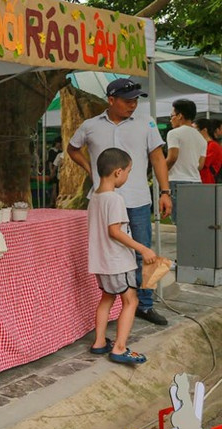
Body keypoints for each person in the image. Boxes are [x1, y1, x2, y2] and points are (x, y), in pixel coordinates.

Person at [68, 78, 171, 326]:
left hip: (137, 199)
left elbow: (158, 158)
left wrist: (165, 191)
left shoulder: (146, 123)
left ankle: (144, 305)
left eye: (136, 100)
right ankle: (115, 303)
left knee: (143, 252)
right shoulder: (90, 126)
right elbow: (73, 149)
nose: (133, 105)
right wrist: (90, 170)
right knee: (108, 252)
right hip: (102, 201)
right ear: (111, 100)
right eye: (127, 101)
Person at [87, 148, 156, 365]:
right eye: (128, 171)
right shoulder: (114, 200)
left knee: (107, 298)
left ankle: (99, 342)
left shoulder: (94, 198)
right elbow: (114, 231)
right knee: (130, 300)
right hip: (117, 262)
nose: (127, 176)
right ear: (118, 172)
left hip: (101, 262)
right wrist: (143, 249)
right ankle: (119, 347)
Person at [166, 98, 205, 222]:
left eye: (171, 116)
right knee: (193, 222)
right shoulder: (201, 138)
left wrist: (161, 170)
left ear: (180, 116)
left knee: (180, 221)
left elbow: (172, 157)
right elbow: (200, 165)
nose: (170, 119)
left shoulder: (174, 133)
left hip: (177, 181)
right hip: (196, 181)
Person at [195, 117, 222, 183]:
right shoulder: (206, 144)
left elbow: (203, 163)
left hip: (207, 181)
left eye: (196, 130)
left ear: (204, 130)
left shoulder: (213, 145)